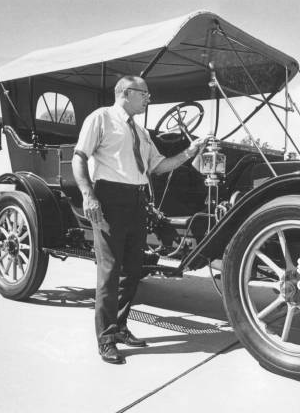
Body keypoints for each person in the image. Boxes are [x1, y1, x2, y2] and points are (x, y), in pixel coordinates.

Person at [72, 75, 209, 364]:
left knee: (133, 269)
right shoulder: (102, 118)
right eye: (144, 93)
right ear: (126, 93)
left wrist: (191, 150)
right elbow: (79, 157)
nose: (149, 98)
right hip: (108, 198)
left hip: (137, 200)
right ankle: (106, 339)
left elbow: (160, 167)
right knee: (109, 272)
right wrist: (88, 194)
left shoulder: (142, 132)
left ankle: (120, 328)